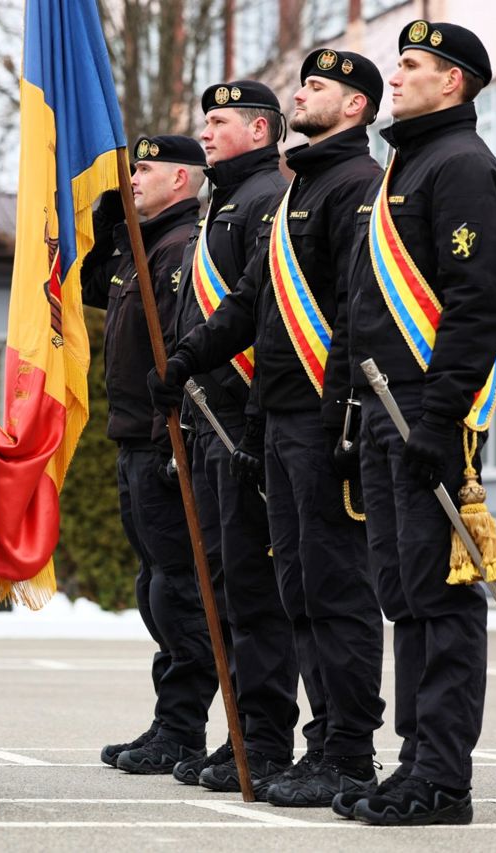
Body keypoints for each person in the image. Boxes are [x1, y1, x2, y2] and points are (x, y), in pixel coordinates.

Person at [155, 50, 388, 810]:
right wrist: (187, 357)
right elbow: (253, 301)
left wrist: (344, 417)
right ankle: (322, 744)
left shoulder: (354, 185)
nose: (301, 92)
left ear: (354, 107)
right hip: (282, 420)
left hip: (322, 423)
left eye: (317, 86)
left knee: (333, 590)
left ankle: (348, 750)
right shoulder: (304, 189)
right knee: (297, 591)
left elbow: (358, 314)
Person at [343, 20, 496, 826]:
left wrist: (441, 419)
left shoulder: (464, 167)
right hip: (385, 414)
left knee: (443, 599)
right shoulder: (405, 167)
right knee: (404, 592)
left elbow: (478, 304)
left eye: (411, 64)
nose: (397, 74)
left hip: (429, 413)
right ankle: (414, 758)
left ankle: (444, 777)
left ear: (454, 81)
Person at [147, 79, 326, 795]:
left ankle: (265, 738)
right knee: (231, 593)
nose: (208, 131)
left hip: (250, 423)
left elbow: (266, 316)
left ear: (260, 131)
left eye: (220, 121)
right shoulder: (223, 200)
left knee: (257, 597)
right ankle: (249, 735)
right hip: (215, 425)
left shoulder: (262, 202)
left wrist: (245, 416)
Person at [80, 135, 222, 775]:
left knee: (179, 591)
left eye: (145, 169)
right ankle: (172, 722)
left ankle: (184, 729)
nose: (133, 178)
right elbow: (89, 294)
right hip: (132, 436)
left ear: (183, 182)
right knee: (155, 587)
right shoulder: (143, 247)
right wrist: (108, 234)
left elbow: (190, 345)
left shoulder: (182, 250)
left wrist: (181, 437)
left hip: (166, 440)